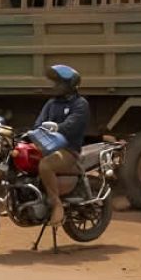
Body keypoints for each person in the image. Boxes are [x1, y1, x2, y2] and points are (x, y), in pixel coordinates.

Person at [35, 64, 90, 227]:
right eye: (55, 82)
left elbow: (72, 125)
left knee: (46, 166)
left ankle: (56, 204)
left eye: (59, 83)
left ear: (70, 85)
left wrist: (57, 127)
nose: (55, 86)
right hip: (47, 147)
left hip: (68, 151)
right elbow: (38, 123)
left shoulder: (80, 104)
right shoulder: (51, 103)